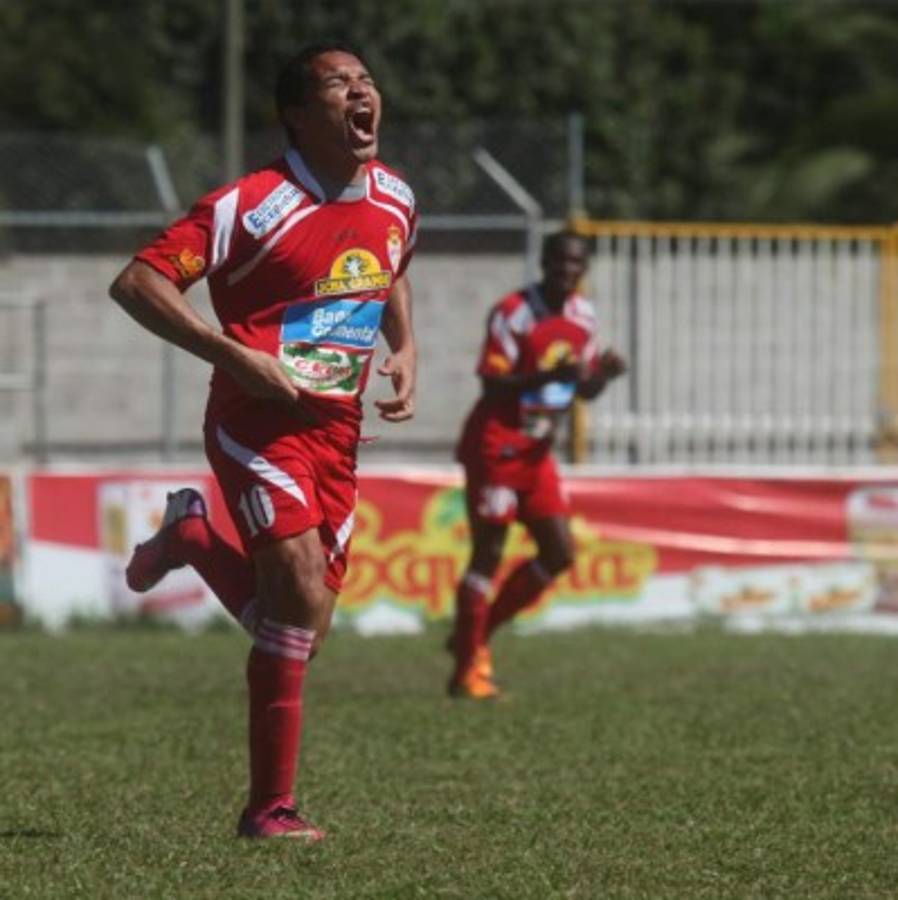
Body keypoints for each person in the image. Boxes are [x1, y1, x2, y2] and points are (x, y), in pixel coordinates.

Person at [109, 42, 417, 839]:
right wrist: (233, 354)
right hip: (256, 424)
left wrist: (405, 347)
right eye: (339, 84)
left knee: (299, 632)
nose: (361, 93)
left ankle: (191, 537)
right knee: (301, 596)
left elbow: (391, 265)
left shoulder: (394, 196)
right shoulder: (251, 203)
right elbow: (137, 283)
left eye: (366, 81)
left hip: (337, 431)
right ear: (296, 115)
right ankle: (268, 811)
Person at [448, 230, 626, 699]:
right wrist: (552, 375)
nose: (568, 270)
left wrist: (601, 378)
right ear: (544, 262)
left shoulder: (583, 315)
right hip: (497, 447)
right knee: (488, 554)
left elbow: (580, 388)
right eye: (560, 261)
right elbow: (491, 384)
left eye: (577, 263)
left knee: (560, 552)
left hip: (537, 451)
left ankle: (476, 634)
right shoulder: (514, 313)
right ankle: (467, 671)